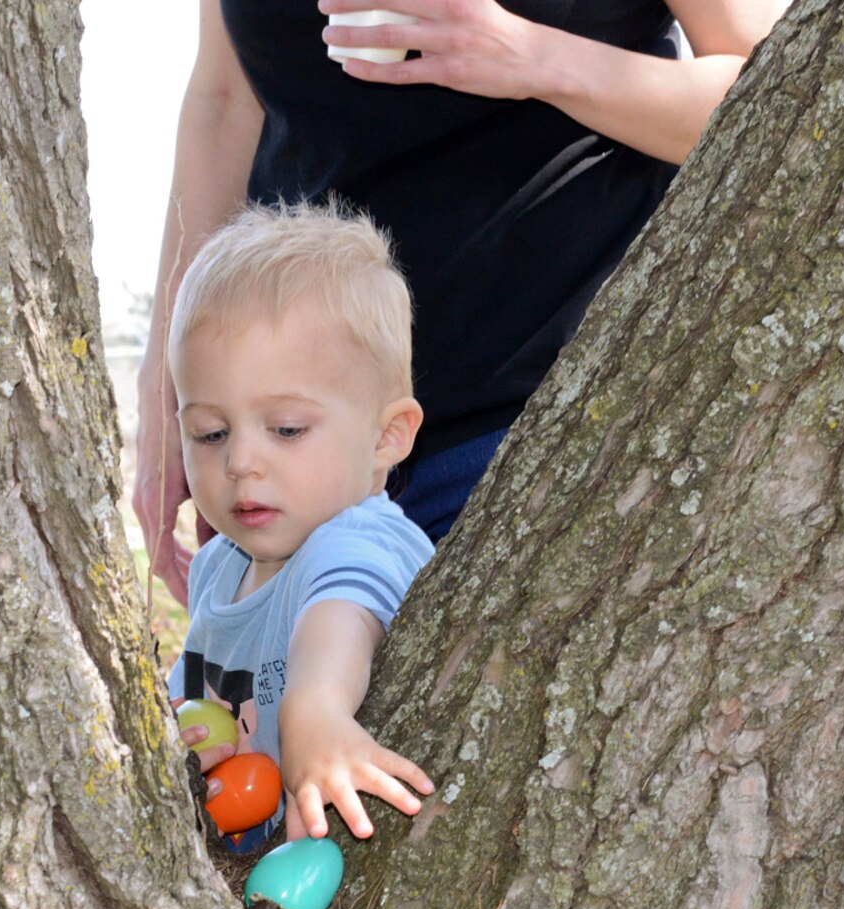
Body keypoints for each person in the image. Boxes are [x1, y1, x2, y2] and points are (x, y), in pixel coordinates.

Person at [135, 0, 785, 602]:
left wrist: (530, 56)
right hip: (293, 462)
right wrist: (172, 391)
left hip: (554, 429)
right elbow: (224, 101)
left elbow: (780, 93)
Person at [165, 204, 436, 847]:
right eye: (210, 432)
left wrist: (315, 710)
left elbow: (341, 616)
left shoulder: (360, 538)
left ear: (386, 437)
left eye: (286, 429)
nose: (240, 462)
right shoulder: (219, 566)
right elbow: (189, 704)